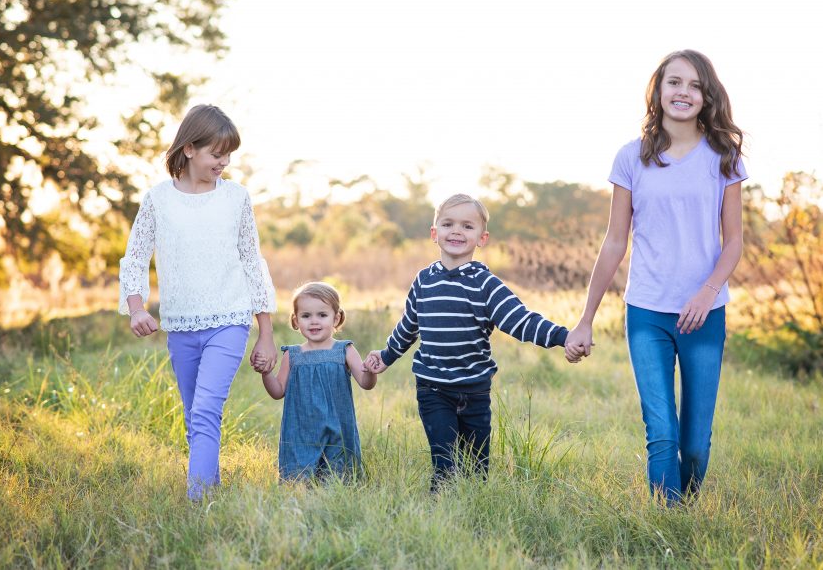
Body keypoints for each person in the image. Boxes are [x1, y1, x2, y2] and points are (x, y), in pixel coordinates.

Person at [564, 49, 746, 505]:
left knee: (695, 447)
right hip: (646, 312)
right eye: (674, 82)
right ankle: (668, 526)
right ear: (658, 90)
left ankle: (686, 508)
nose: (683, 92)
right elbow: (613, 242)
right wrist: (585, 318)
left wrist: (707, 294)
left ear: (707, 97)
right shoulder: (632, 158)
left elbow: (735, 242)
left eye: (695, 85)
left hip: (705, 315)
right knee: (661, 433)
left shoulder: (723, 157)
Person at [118, 103, 278, 501]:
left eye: (229, 154)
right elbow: (135, 256)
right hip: (180, 327)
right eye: (216, 153)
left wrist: (266, 333)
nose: (224, 162)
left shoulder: (236, 198)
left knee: (206, 410)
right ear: (189, 149)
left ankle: (199, 501)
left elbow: (251, 262)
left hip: (229, 320)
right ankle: (210, 489)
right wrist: (137, 307)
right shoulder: (158, 200)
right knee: (194, 418)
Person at [365, 194, 568, 490]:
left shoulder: (486, 285)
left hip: (474, 390)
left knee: (476, 469)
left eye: (467, 226)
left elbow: (520, 320)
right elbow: (409, 326)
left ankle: (474, 512)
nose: (457, 231)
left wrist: (564, 337)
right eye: (448, 224)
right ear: (434, 233)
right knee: (445, 463)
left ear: (481, 238)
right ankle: (439, 516)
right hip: (432, 387)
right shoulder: (423, 281)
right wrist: (386, 356)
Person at [260, 282, 377, 481]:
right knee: (299, 481)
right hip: (301, 430)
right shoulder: (292, 355)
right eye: (306, 316)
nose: (314, 321)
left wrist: (371, 372)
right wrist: (266, 373)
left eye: (322, 315)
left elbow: (365, 382)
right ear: (296, 320)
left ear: (336, 318)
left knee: (338, 477)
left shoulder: (345, 350)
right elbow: (278, 391)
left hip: (337, 426)